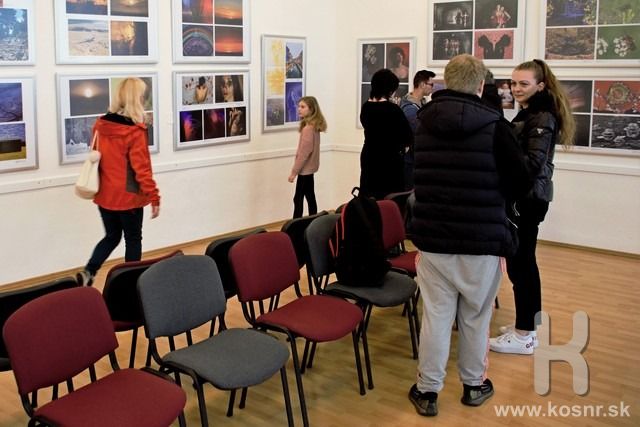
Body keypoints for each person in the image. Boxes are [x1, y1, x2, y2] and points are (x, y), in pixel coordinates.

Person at [407, 54, 530, 416]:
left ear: (446, 82)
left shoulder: (423, 122)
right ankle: (474, 385)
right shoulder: (496, 126)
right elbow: (521, 182)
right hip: (481, 240)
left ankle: (427, 391)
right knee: (476, 317)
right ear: (480, 86)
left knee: (436, 317)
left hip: (434, 240)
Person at [490, 59, 575, 355]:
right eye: (513, 83)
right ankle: (527, 327)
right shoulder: (531, 113)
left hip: (526, 201)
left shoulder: (541, 117)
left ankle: (524, 334)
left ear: (540, 85)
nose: (516, 89)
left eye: (523, 84)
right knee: (522, 265)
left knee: (522, 266)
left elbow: (532, 164)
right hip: (525, 199)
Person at [77, 77, 160, 286]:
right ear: (136, 98)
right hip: (128, 198)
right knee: (133, 239)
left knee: (112, 236)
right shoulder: (134, 131)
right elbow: (141, 169)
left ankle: (89, 271)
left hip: (104, 195)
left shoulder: (100, 124)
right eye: (142, 95)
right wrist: (154, 197)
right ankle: (130, 283)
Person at [359, 68, 413, 200]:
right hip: (389, 160)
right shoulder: (393, 110)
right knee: (390, 200)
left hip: (369, 156)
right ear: (389, 90)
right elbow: (407, 137)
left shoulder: (366, 107)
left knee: (370, 200)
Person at [288, 96, 327, 218]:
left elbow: (304, 153)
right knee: (310, 197)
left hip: (305, 171)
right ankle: (313, 221)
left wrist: (294, 173)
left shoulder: (308, 129)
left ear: (311, 109)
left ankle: (296, 224)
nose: (299, 109)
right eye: (299, 106)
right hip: (310, 169)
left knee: (298, 199)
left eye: (303, 107)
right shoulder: (314, 127)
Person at [400, 70, 436, 190]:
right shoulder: (409, 109)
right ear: (422, 84)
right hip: (411, 161)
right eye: (431, 84)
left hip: (418, 159)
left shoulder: (422, 104)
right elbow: (420, 132)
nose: (432, 88)